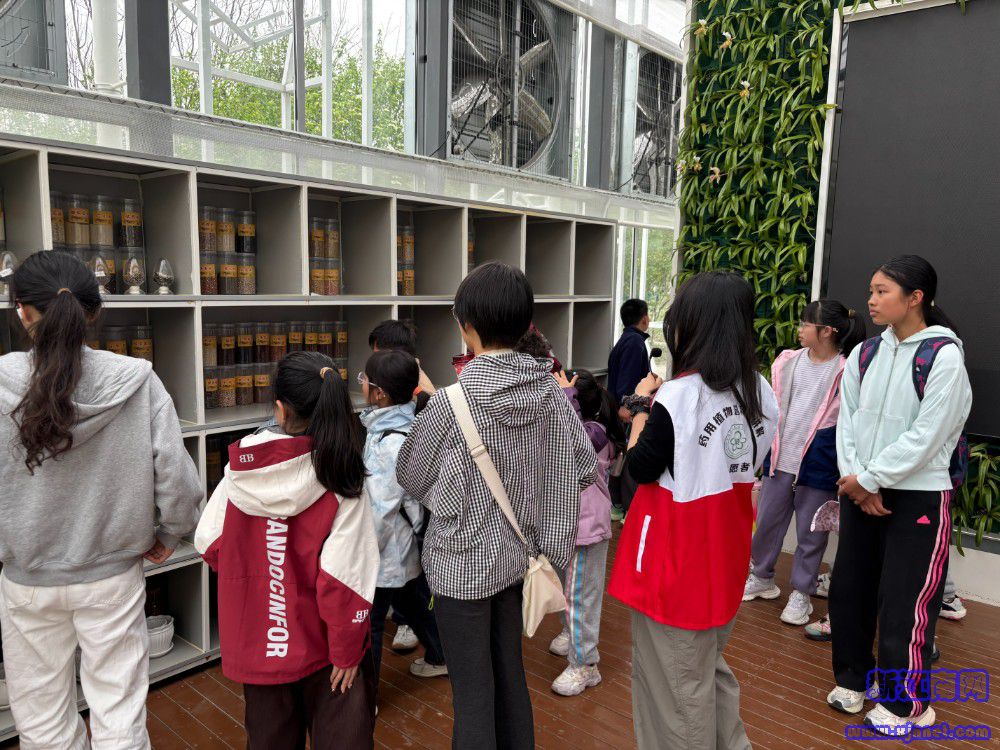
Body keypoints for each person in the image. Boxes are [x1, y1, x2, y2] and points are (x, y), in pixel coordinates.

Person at [0, 250, 202, 748]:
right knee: (119, 711)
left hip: (28, 577)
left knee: (41, 720)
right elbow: (178, 480)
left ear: (22, 310)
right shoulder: (137, 380)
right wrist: (170, 533)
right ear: (93, 312)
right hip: (112, 575)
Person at [396, 261, 597, 749]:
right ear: (525, 322)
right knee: (509, 677)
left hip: (461, 568)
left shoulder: (450, 403)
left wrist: (455, 497)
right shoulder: (550, 391)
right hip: (523, 561)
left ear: (466, 326)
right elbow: (585, 466)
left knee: (472, 694)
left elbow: (411, 475)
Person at [608, 271, 778, 750]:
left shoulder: (679, 396)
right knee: (706, 670)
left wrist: (641, 406)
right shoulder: (760, 390)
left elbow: (639, 467)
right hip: (725, 551)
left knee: (676, 694)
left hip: (675, 563)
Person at [195, 351, 380, 750]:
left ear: (279, 409)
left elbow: (208, 541)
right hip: (327, 652)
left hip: (259, 645)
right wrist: (347, 652)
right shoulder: (341, 475)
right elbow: (346, 579)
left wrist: (259, 571)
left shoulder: (240, 471)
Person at [827, 255, 971, 736]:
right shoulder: (865, 353)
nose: (870, 300)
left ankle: (906, 703)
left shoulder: (944, 356)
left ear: (915, 298)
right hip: (861, 489)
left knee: (905, 602)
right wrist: (857, 478)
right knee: (850, 590)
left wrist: (871, 478)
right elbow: (846, 420)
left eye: (882, 291)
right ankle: (852, 679)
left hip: (918, 497)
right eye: (871, 290)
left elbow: (930, 435)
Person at [743, 300, 866, 626]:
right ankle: (762, 577)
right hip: (779, 460)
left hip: (819, 464)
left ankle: (802, 593)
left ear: (826, 331)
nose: (799, 329)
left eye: (806, 324)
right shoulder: (787, 361)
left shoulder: (847, 369)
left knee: (812, 535)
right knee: (766, 523)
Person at [359, 349, 447, 684]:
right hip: (407, 543)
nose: (361, 383)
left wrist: (364, 553)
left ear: (379, 393)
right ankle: (440, 656)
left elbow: (381, 510)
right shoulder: (404, 424)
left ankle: (364, 698)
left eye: (365, 379)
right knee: (416, 603)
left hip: (388, 548)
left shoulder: (389, 444)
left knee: (371, 622)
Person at [549, 369, 624, 696]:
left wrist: (566, 397)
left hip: (586, 527)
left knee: (581, 597)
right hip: (572, 525)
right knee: (570, 592)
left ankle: (585, 664)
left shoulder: (595, 433)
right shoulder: (586, 428)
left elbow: (576, 441)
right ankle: (573, 638)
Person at [368, 319, 435, 411]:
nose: (373, 360)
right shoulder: (408, 375)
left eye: (377, 355)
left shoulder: (417, 389)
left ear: (393, 354)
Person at [606, 298, 652, 406]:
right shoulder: (634, 341)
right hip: (626, 411)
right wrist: (628, 406)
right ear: (644, 319)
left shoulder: (627, 338)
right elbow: (627, 383)